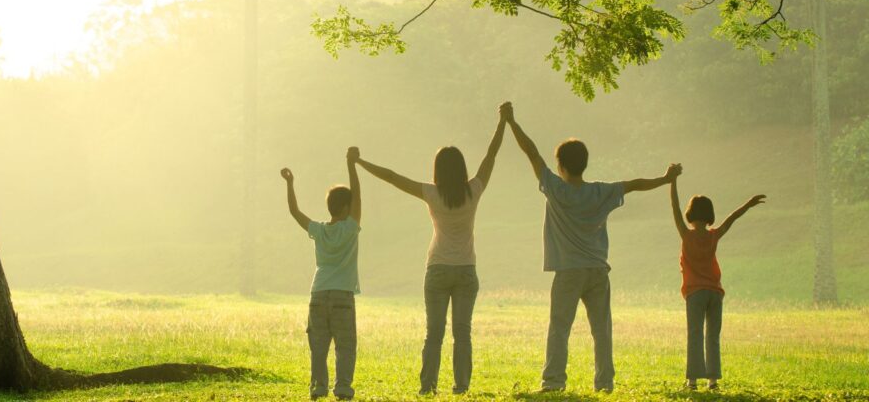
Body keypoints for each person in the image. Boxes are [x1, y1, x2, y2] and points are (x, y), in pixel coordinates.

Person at [501, 101, 681, 393]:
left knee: (560, 327)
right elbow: (634, 184)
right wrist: (666, 178)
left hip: (568, 271)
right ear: (584, 164)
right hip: (598, 270)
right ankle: (605, 383)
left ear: (560, 166)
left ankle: (554, 382)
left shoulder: (555, 188)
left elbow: (531, 152)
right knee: (601, 330)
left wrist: (511, 122)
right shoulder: (600, 191)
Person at [353, 104, 506, 395]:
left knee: (433, 333)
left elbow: (393, 177)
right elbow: (491, 155)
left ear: (437, 170)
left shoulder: (431, 193)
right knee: (462, 333)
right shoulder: (473, 190)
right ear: (462, 169)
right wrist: (503, 122)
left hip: (436, 269)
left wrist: (361, 162)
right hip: (465, 270)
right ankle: (461, 386)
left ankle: (428, 387)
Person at [280, 146, 362, 401]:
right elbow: (358, 194)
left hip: (318, 293)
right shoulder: (350, 228)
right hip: (342, 296)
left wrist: (290, 183)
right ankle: (343, 390)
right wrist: (352, 164)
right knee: (345, 346)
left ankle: (318, 388)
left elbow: (295, 212)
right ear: (348, 206)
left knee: (318, 347)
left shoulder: (318, 230)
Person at [670, 174, 766, 391]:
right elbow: (732, 218)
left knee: (695, 334)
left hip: (695, 293)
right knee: (712, 336)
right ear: (710, 215)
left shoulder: (686, 234)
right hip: (715, 292)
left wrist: (672, 181)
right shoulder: (714, 235)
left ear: (690, 214)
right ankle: (713, 381)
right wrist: (749, 204)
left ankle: (692, 381)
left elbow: (675, 207)